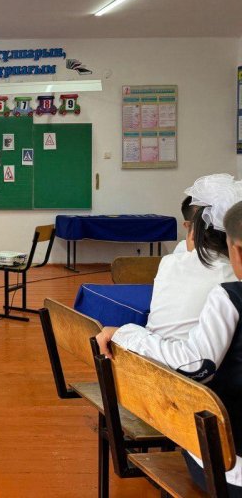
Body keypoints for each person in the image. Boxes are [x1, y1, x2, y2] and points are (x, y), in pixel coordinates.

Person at [96, 195, 242, 494]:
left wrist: (126, 333)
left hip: (229, 464)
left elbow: (197, 366)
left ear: (236, 251)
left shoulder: (229, 295)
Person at [144, 175, 237, 341]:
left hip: (147, 350)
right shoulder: (232, 276)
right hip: (189, 354)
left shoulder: (168, 262)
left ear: (193, 232)